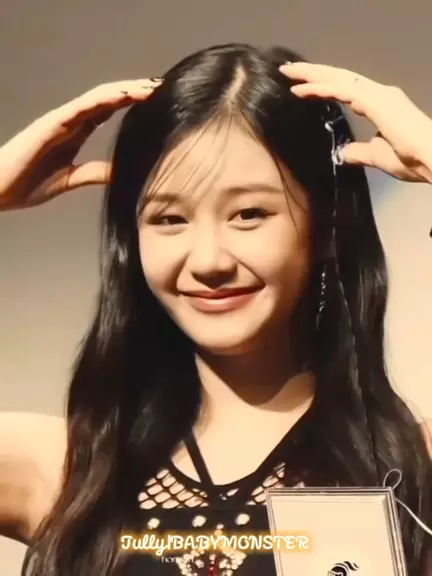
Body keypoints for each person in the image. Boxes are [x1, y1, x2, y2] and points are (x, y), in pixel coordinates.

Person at [0, 43, 431, 576]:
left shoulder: (412, 465)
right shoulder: (71, 469)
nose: (209, 261)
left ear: (329, 228)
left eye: (249, 214)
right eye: (169, 219)